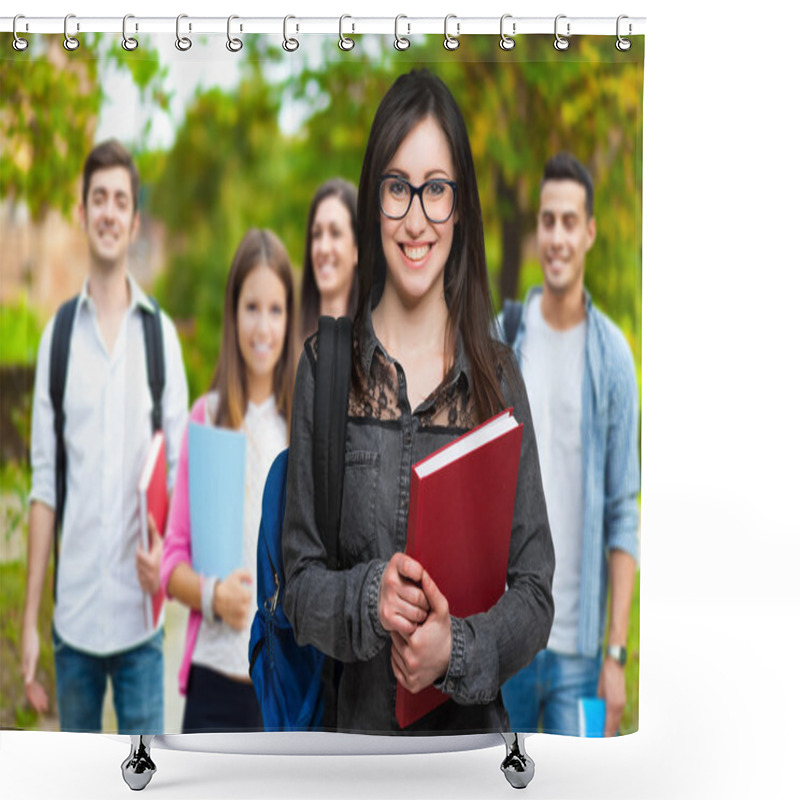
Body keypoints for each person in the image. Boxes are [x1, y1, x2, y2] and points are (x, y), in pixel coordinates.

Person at [282, 70, 555, 734]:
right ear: (374, 200)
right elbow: (299, 584)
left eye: (436, 191)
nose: (416, 219)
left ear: (459, 207)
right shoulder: (325, 368)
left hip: (469, 761)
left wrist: (455, 650)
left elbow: (534, 595)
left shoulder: (498, 378)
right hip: (356, 759)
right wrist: (366, 596)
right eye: (398, 188)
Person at [22, 139, 189, 733]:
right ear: (83, 212)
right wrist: (28, 627)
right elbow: (44, 489)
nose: (110, 212)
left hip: (141, 626)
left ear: (135, 219)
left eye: (121, 200)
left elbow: (178, 480)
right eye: (100, 199)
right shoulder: (57, 339)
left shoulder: (161, 340)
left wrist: (166, 554)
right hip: (74, 626)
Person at [499, 152, 640, 737]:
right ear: (537, 231)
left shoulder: (612, 359)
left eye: (568, 222)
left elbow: (622, 513)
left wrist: (614, 656)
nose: (556, 236)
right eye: (547, 221)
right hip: (504, 639)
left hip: (581, 660)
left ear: (589, 233)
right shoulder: (500, 341)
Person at [161, 228, 296, 733]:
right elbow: (171, 563)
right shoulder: (206, 418)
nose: (263, 326)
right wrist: (214, 595)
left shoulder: (300, 430)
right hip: (213, 685)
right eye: (251, 307)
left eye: (276, 309)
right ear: (233, 313)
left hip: (280, 692)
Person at [299, 178, 359, 341]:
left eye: (335, 233)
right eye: (317, 234)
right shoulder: (289, 342)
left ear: (357, 249)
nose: (323, 248)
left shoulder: (376, 347)